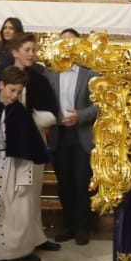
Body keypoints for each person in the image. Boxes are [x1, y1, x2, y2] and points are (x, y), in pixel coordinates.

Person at [0, 65, 52, 261]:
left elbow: (27, 144)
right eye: (12, 90)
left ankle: (20, 251)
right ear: (1, 85)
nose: (14, 95)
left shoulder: (20, 112)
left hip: (14, 165)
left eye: (19, 92)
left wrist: (24, 176)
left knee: (19, 209)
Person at [2, 34, 61, 253]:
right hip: (6, 144)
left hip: (33, 139)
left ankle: (35, 237)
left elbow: (52, 113)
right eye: (26, 49)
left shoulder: (39, 78)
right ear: (15, 51)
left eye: (33, 50)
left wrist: (32, 119)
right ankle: (12, 242)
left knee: (32, 192)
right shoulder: (2, 74)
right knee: (11, 194)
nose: (31, 54)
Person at [47, 28, 100, 244]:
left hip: (81, 135)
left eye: (72, 42)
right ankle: (68, 225)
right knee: (65, 183)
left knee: (81, 182)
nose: (67, 45)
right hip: (59, 135)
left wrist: (80, 116)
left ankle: (82, 227)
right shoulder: (50, 73)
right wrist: (56, 117)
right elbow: (46, 101)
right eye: (64, 41)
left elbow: (99, 103)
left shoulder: (90, 72)